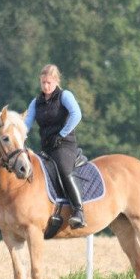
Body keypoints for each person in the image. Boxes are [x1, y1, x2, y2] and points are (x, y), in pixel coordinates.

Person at [24, 64, 86, 229]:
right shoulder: (35, 102)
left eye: (49, 82)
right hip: (46, 147)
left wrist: (61, 134)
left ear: (56, 81)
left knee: (64, 170)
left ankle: (79, 211)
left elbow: (76, 114)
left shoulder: (65, 95)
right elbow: (26, 123)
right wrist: (18, 136)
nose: (45, 86)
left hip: (64, 145)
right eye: (43, 82)